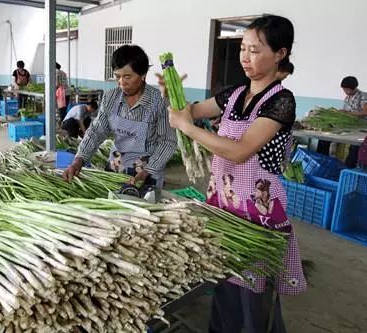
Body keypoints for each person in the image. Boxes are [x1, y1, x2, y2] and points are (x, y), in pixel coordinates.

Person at [162, 15, 306, 332]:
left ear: (280, 53)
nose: (245, 56)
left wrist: (187, 126)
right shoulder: (235, 93)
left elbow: (240, 150)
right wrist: (171, 95)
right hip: (224, 204)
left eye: (254, 50)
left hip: (259, 211)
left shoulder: (282, 101)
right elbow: (192, 111)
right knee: (225, 285)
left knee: (255, 298)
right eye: (243, 48)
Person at [63, 44, 177, 188]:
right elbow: (97, 131)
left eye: (127, 77)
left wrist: (148, 171)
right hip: (115, 169)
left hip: (146, 174)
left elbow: (168, 142)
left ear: (143, 75)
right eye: (118, 76)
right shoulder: (111, 97)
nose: (122, 82)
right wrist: (79, 159)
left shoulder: (158, 101)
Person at [316, 76, 366, 166]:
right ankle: (321, 162)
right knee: (324, 139)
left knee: (355, 146)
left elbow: (365, 112)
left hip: (359, 128)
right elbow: (345, 112)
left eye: (346, 89)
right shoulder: (347, 98)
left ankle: (348, 168)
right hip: (347, 126)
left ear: (353, 87)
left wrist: (348, 113)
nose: (345, 91)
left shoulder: (363, 96)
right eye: (344, 89)